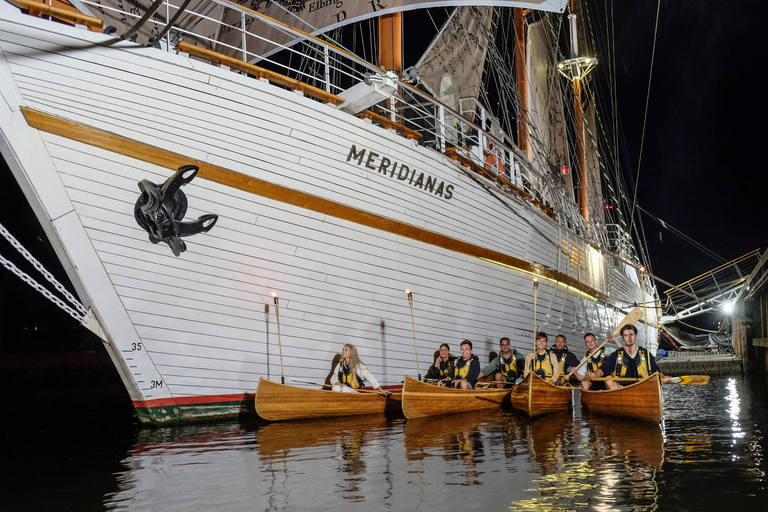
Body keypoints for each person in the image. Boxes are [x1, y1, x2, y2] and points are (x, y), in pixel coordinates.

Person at [586, 324, 673, 389]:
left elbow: (655, 371)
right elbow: (604, 368)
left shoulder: (645, 354)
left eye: (631, 334)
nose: (629, 338)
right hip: (621, 389)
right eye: (626, 335)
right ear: (623, 338)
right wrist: (595, 374)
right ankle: (620, 403)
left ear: (636, 336)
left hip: (642, 388)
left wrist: (663, 377)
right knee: (608, 379)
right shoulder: (616, 355)